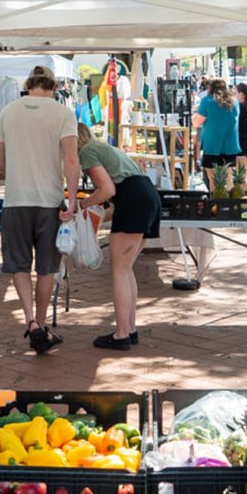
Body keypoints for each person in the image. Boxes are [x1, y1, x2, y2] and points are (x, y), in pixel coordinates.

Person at [0, 66, 80, 354]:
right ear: (53, 87)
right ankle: (40, 325)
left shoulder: (8, 111)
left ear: (29, 85)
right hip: (49, 200)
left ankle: (29, 319)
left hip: (16, 199)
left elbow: (1, 164)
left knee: (18, 265)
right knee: (47, 266)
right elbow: (71, 160)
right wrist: (72, 197)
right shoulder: (62, 114)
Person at [74, 125, 161, 350]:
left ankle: (121, 333)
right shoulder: (104, 148)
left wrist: (80, 205)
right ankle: (129, 329)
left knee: (120, 271)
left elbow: (107, 190)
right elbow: (114, 194)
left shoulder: (87, 152)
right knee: (126, 269)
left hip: (134, 200)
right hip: (147, 196)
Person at [192, 79, 241, 192]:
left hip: (211, 146)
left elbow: (197, 122)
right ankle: (230, 205)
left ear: (210, 88)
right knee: (229, 179)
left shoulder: (207, 101)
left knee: (213, 180)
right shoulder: (235, 102)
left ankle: (215, 206)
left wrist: (193, 115)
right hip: (230, 146)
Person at [235, 83, 247, 191]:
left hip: (241, 142)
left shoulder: (240, 108)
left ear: (241, 94)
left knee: (242, 175)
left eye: (236, 93)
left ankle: (246, 198)